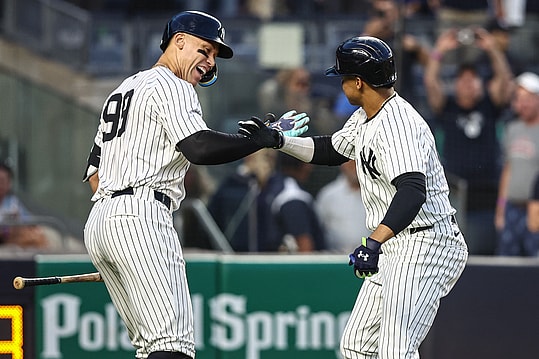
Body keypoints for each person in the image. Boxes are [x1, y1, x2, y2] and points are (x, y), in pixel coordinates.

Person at [82, 11, 309, 359]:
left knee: (149, 348)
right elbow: (199, 147)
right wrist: (264, 139)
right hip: (140, 215)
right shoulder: (172, 84)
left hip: (102, 221)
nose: (210, 61)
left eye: (215, 55)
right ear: (179, 41)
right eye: (205, 50)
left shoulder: (124, 89)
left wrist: (119, 239)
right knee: (172, 345)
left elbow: (94, 174)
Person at [238, 36, 468, 359]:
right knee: (356, 346)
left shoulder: (400, 125)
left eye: (344, 77)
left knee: (395, 350)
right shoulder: (366, 116)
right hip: (397, 244)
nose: (340, 84)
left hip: (426, 244)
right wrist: (278, 140)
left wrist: (373, 241)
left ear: (358, 82)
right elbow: (331, 150)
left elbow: (413, 191)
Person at [423, 26, 513, 255]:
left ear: (481, 85)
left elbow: (504, 81)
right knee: (450, 251)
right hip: (453, 191)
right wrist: (439, 52)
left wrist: (493, 50)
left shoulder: (489, 106)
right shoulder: (448, 107)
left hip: (486, 192)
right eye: (462, 79)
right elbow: (431, 82)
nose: (467, 83)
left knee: (483, 251)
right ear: (454, 84)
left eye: (473, 79)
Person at [207, 148, 325, 252]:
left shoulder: (287, 194)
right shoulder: (235, 185)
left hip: (283, 269)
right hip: (241, 263)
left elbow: (304, 247)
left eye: (266, 155)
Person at [495, 72, 539, 256]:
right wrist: (501, 208)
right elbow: (508, 169)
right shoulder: (512, 129)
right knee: (506, 263)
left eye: (528, 98)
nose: (523, 103)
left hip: (535, 209)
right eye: (519, 98)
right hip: (512, 208)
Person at [315, 160, 369, 253]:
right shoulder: (328, 195)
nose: (355, 167)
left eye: (358, 163)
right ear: (342, 165)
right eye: (351, 163)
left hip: (372, 258)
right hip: (335, 260)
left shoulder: (379, 194)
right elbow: (318, 229)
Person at [0, 162, 49, 249]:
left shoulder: (13, 203)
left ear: (8, 184)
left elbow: (29, 221)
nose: (1, 185)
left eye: (3, 181)